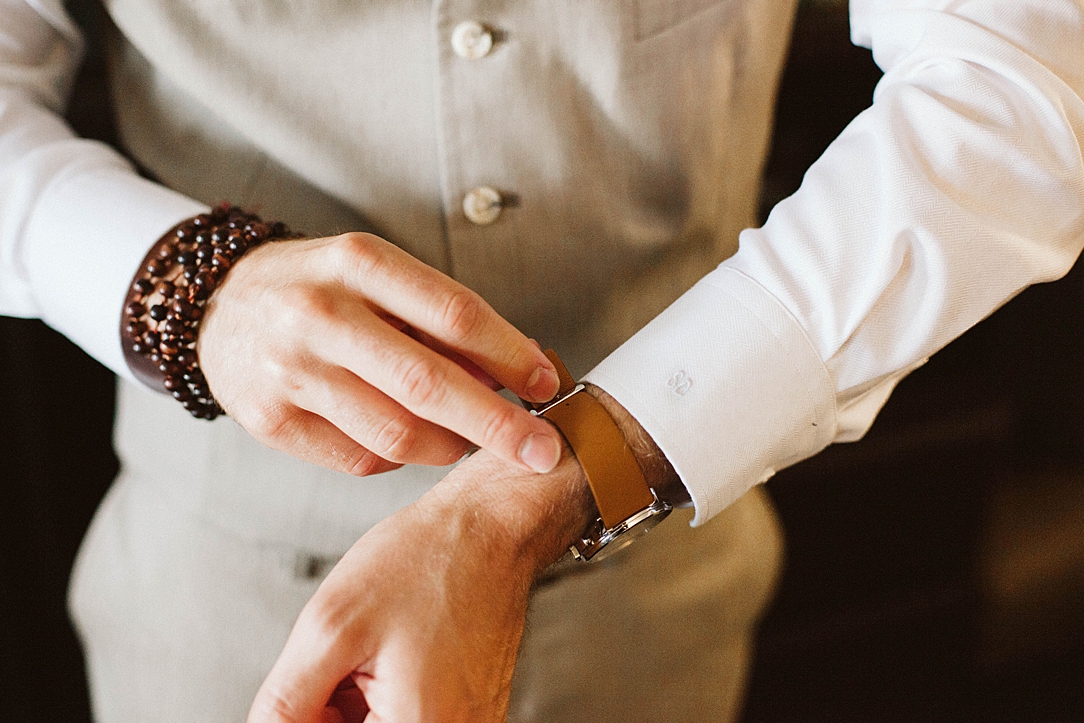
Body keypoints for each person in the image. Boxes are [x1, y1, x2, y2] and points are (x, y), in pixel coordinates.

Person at [1, 0, 1082, 721]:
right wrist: (192, 290)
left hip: (658, 611)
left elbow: (1018, 95)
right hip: (212, 616)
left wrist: (527, 503)